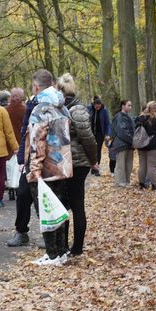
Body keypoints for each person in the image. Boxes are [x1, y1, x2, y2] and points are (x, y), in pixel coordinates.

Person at [26, 78, 72, 266]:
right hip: (63, 166)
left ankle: (52, 254)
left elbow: (38, 141)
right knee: (60, 209)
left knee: (46, 211)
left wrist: (34, 169)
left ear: (36, 86)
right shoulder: (63, 107)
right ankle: (61, 252)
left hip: (46, 169)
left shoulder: (40, 109)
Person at [6, 70, 52, 248]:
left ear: (36, 85)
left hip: (49, 157)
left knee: (45, 196)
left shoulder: (55, 103)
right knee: (24, 193)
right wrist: (21, 158)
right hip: (30, 156)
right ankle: (21, 231)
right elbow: (25, 130)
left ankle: (47, 232)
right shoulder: (32, 104)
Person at [58, 74, 97, 257]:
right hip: (70, 162)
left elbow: (86, 137)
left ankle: (76, 247)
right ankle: (65, 245)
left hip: (73, 163)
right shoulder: (70, 109)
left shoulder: (73, 110)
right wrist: (93, 159)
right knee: (69, 204)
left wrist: (92, 159)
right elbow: (88, 139)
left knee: (73, 204)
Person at [134, 101, 156, 190]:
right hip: (155, 144)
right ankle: (154, 185)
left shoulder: (141, 118)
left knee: (142, 166)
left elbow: (135, 125)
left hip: (142, 144)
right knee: (152, 166)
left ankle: (141, 184)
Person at [5, 87, 26, 200]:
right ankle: (18, 189)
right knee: (18, 168)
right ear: (20, 97)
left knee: (8, 168)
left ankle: (10, 190)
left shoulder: (5, 110)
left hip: (8, 143)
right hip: (21, 142)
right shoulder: (25, 110)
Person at [111, 100, 135, 187]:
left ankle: (127, 181)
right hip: (121, 144)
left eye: (131, 105)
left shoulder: (128, 117)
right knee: (121, 164)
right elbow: (122, 132)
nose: (130, 107)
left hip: (129, 144)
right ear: (123, 106)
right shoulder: (119, 117)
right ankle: (120, 182)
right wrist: (132, 140)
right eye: (128, 105)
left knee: (129, 164)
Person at [87, 96, 111, 176]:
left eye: (99, 105)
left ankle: (96, 168)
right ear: (94, 104)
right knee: (90, 150)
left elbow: (108, 123)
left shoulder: (104, 111)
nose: (97, 107)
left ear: (101, 105)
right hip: (90, 133)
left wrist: (108, 134)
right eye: (96, 105)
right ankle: (92, 166)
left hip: (100, 134)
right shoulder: (89, 109)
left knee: (97, 150)